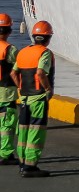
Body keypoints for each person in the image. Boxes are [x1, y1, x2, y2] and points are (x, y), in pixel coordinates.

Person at [12, 21, 55, 177]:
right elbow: (41, 72)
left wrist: (20, 87)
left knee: (23, 131)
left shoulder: (23, 52)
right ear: (47, 38)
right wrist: (48, 89)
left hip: (24, 98)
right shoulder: (45, 53)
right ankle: (30, 167)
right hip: (38, 99)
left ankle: (22, 163)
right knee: (36, 131)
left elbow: (13, 73)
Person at [0, 14, 19, 166]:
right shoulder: (11, 50)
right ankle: (6, 155)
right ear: (9, 31)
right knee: (7, 125)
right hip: (6, 93)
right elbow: (18, 70)